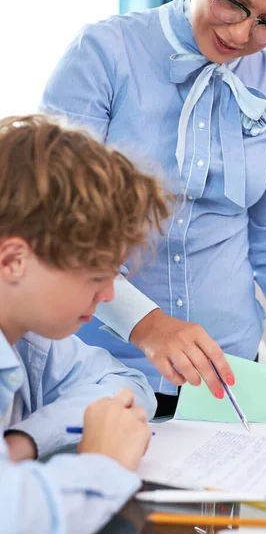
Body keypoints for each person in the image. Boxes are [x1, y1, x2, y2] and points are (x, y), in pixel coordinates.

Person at [41, 0, 266, 417]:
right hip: (96, 372)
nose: (242, 35)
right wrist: (146, 324)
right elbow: (54, 229)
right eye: (234, 2)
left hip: (227, 383)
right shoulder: (101, 56)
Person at [0, 114, 170, 534]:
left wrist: (27, 439)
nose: (109, 295)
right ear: (13, 261)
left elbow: (128, 384)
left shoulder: (31, 337)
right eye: (95, 276)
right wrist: (103, 465)